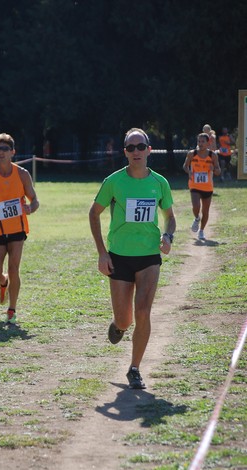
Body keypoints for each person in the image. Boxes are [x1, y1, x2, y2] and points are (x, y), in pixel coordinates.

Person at [89, 127, 176, 390]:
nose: (136, 152)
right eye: (130, 148)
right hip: (120, 257)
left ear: (149, 150)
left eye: (140, 147)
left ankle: (135, 368)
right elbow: (94, 214)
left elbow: (170, 217)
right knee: (126, 319)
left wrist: (168, 237)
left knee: (143, 312)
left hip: (149, 256)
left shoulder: (160, 183)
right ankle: (118, 325)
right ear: (125, 152)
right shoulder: (114, 181)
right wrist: (102, 253)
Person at [0, 133, 39, 324]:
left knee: (14, 269)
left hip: (17, 230)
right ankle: (3, 282)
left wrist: (30, 208)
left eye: (4, 149)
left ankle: (12, 309)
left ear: (13, 152)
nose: (0, 153)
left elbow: (35, 200)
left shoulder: (22, 174)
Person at [183, 132, 221, 241]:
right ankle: (196, 218)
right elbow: (185, 166)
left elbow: (218, 171)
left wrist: (213, 168)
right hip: (194, 184)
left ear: (208, 143)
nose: (200, 143)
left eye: (203, 141)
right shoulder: (192, 154)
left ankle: (202, 231)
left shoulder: (212, 155)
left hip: (207, 187)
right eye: (199, 141)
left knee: (205, 211)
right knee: (196, 206)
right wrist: (189, 172)